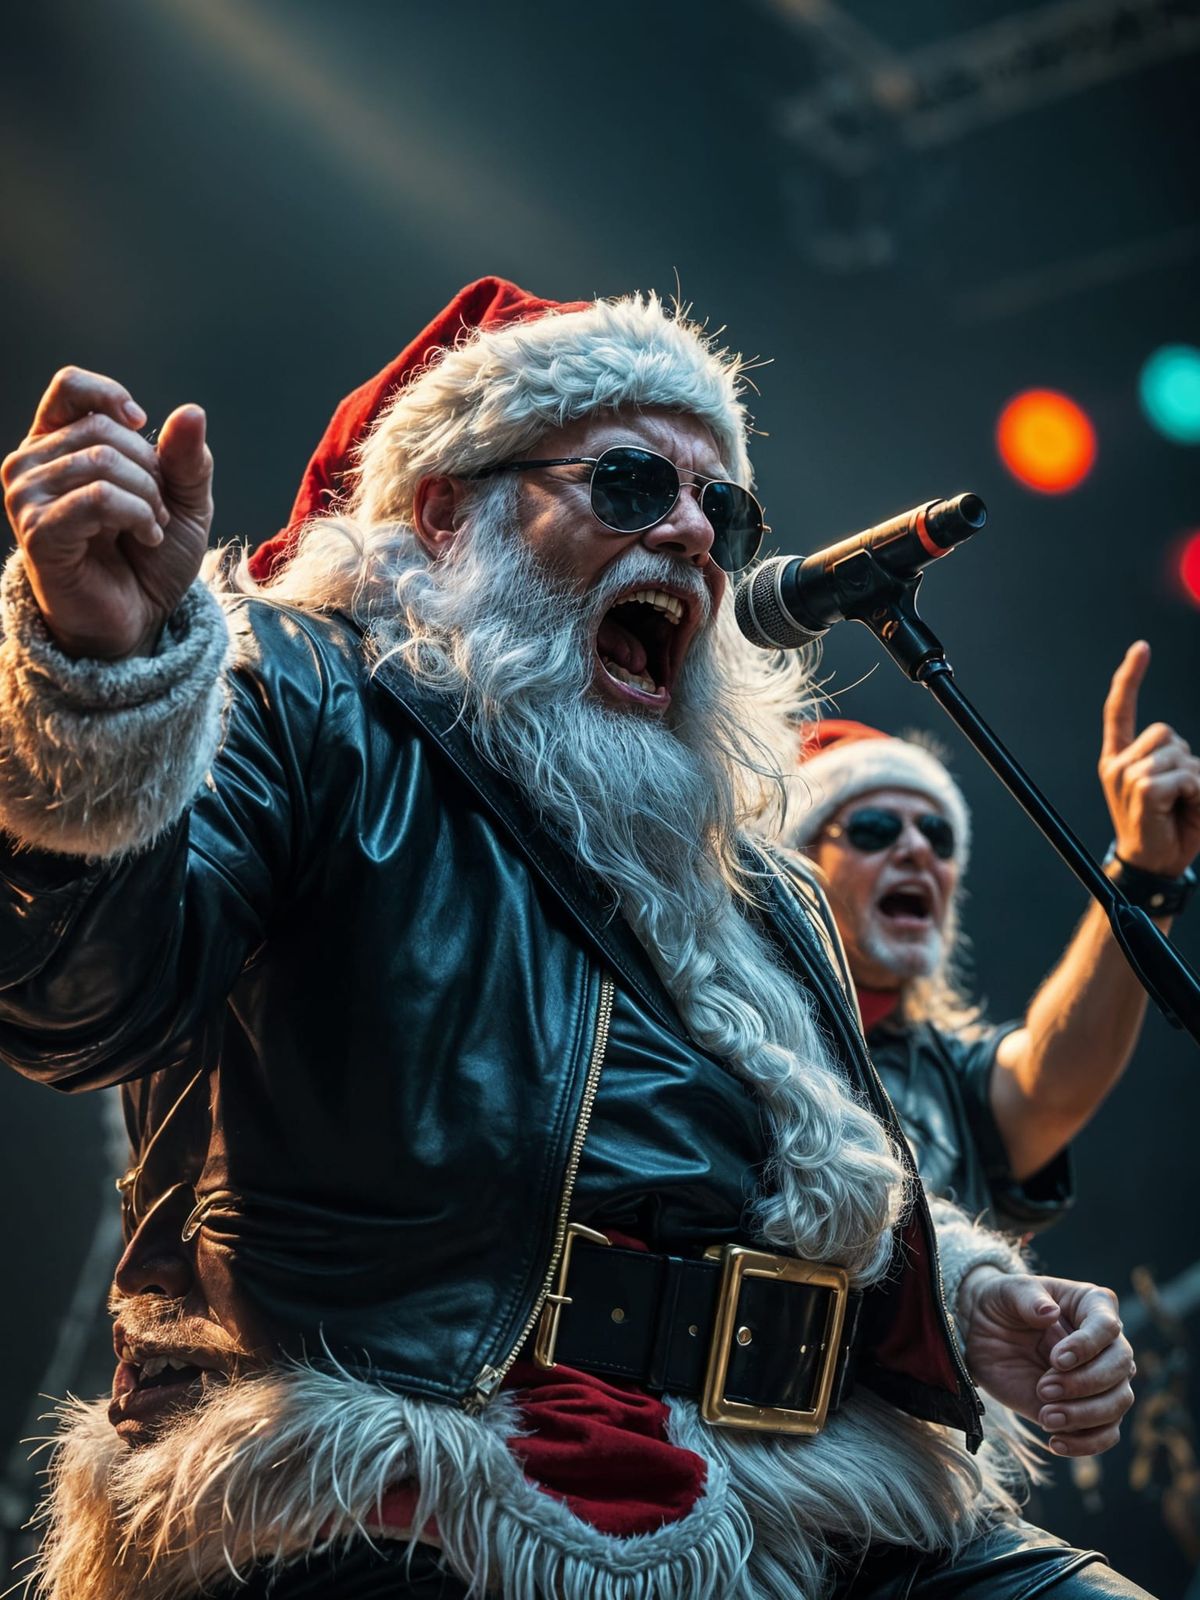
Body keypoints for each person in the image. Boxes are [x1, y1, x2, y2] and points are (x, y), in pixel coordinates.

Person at [0, 278, 1146, 1599]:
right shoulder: (309, 695)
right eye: (628, 484)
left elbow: (800, 1185)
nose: (692, 534)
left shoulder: (760, 882)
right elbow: (75, 1002)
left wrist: (967, 1304)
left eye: (722, 509)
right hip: (415, 1468)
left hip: (796, 1490)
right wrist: (103, 682)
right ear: (447, 513)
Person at [787, 709, 1200, 1235]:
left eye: (938, 836)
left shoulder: (952, 1078)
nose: (917, 850)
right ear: (795, 862)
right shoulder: (725, 1039)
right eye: (875, 829)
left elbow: (1049, 1085)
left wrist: (1144, 873)